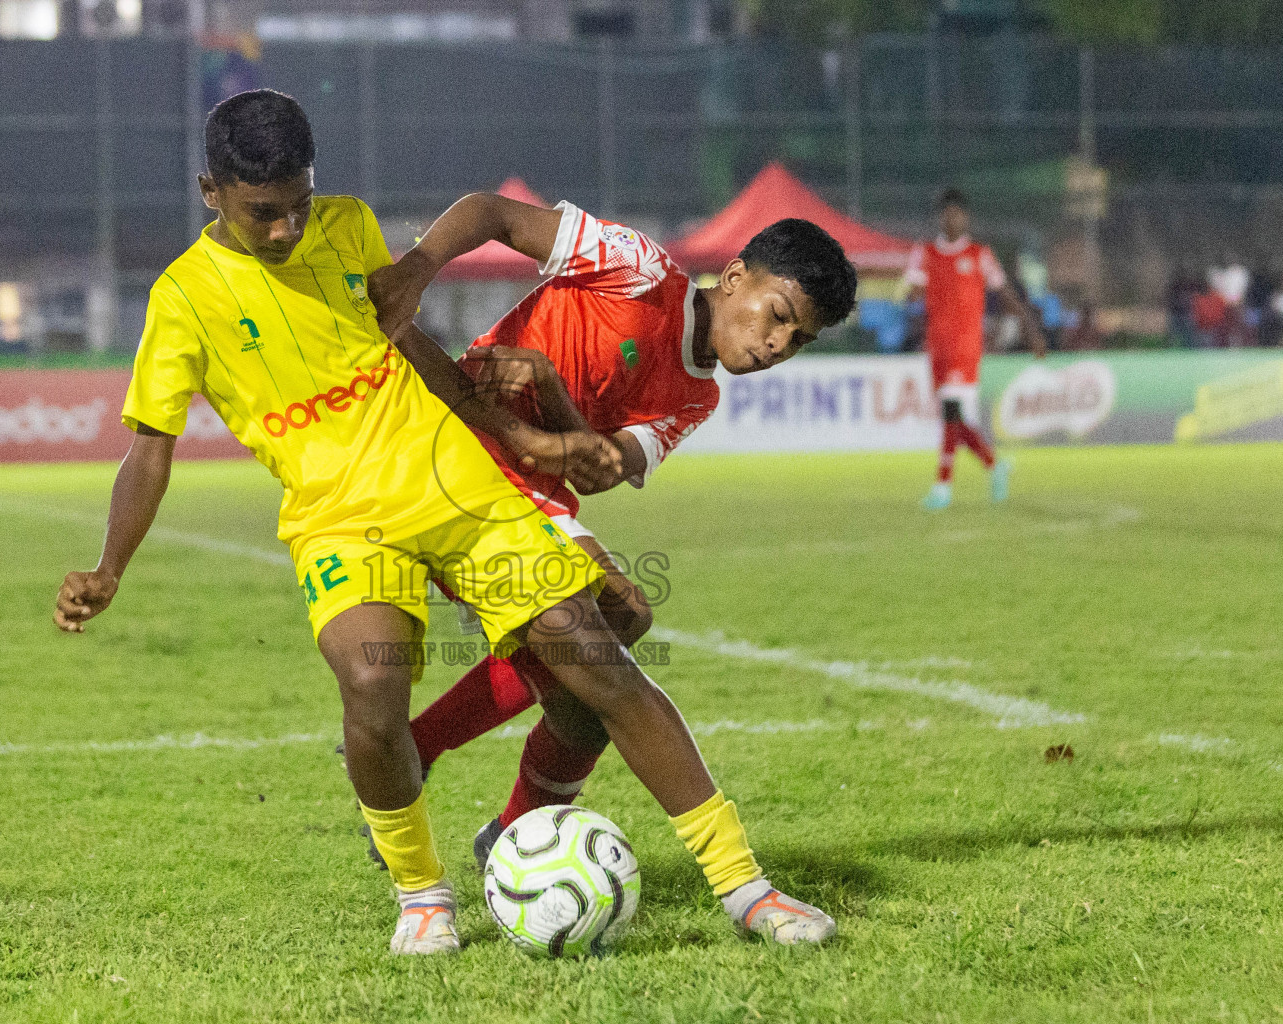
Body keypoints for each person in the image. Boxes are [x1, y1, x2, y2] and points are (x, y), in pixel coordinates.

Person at [53, 89, 836, 954]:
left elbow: (408, 343)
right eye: (262, 213)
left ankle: (746, 892)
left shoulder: (346, 227)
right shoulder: (181, 299)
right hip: (337, 516)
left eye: (298, 207)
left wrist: (527, 428)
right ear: (213, 191)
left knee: (600, 662)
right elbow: (150, 451)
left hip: (460, 483)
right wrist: (109, 566)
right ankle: (423, 894)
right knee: (372, 683)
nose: (284, 231)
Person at [365, 195, 855, 870]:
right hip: (459, 440)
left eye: (797, 341)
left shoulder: (695, 398)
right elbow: (492, 214)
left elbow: (594, 468)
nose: (776, 346)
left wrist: (549, 387)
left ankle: (497, 825)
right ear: (736, 277)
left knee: (591, 684)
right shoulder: (635, 268)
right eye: (778, 317)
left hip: (531, 480)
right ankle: (460, 782)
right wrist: (418, 268)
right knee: (616, 621)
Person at [903, 188, 1046, 511]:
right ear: (940, 217)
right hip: (937, 347)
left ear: (965, 217)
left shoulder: (980, 254)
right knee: (952, 418)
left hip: (966, 347)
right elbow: (912, 289)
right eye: (946, 213)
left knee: (951, 412)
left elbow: (1006, 294)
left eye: (957, 213)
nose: (952, 218)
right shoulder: (924, 253)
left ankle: (943, 486)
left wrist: (1031, 330)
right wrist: (912, 295)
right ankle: (995, 466)